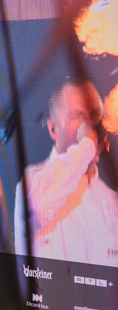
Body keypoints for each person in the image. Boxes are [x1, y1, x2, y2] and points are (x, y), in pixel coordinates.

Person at [13, 79, 118, 265]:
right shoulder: (33, 183)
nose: (89, 126)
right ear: (53, 129)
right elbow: (39, 205)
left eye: (95, 116)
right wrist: (87, 146)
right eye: (78, 116)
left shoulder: (112, 200)